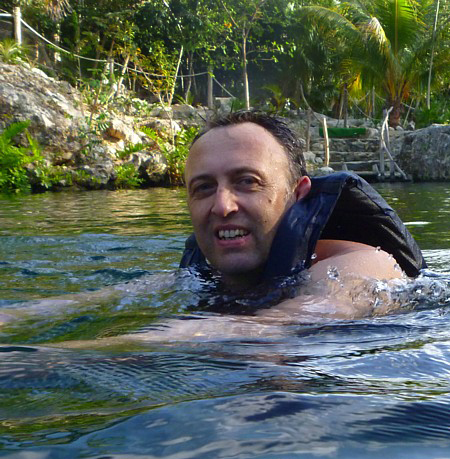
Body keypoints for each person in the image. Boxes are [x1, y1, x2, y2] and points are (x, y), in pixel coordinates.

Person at [0, 111, 426, 337]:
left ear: (297, 194)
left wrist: (56, 358)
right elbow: (84, 303)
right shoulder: (202, 276)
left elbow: (295, 323)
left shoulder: (361, 265)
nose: (222, 205)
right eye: (203, 188)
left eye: (247, 182)